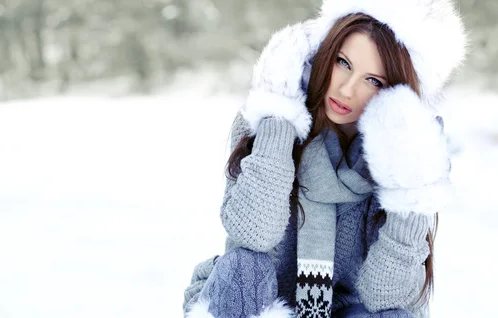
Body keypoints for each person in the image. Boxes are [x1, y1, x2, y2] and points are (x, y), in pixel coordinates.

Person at [182, 0, 467, 317]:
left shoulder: (401, 153)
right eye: (343, 63)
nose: (346, 90)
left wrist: (412, 187)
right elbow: (252, 237)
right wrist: (279, 119)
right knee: (242, 265)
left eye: (373, 80)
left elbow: (388, 296)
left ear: (397, 93)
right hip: (257, 297)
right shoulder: (267, 123)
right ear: (325, 51)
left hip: (349, 308)